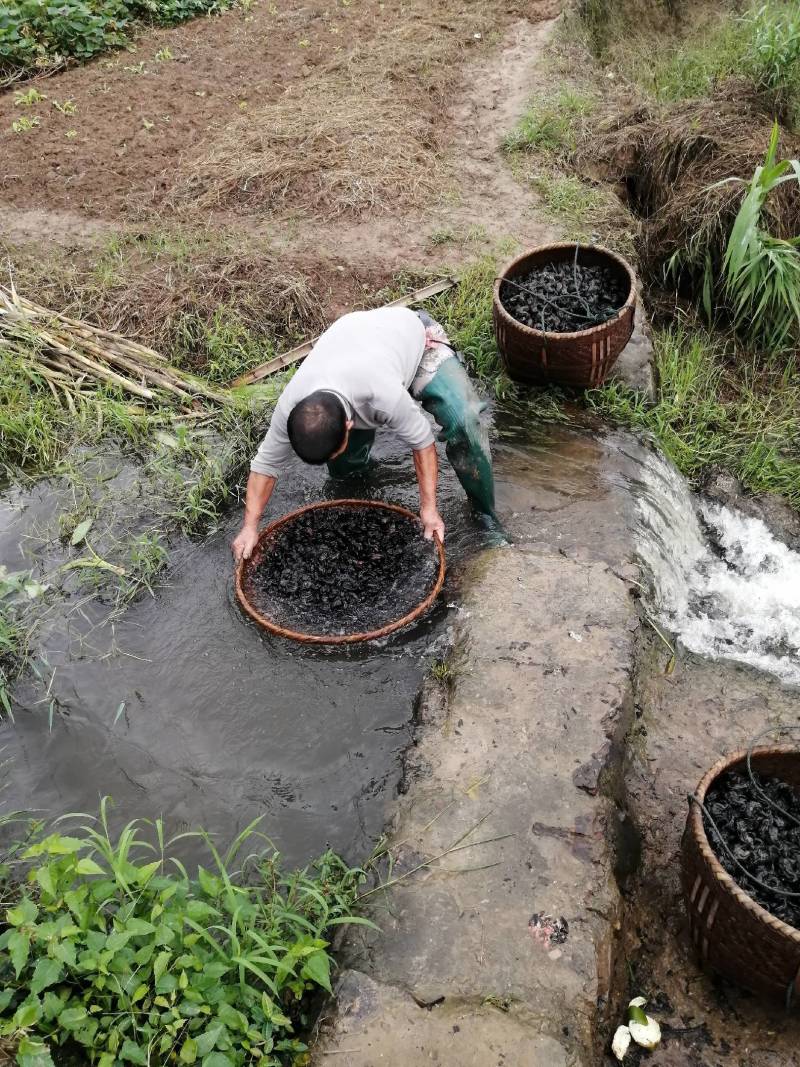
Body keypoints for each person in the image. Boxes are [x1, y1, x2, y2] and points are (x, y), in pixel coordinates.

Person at [231, 306, 496, 561]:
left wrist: (429, 508)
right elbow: (265, 465)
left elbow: (423, 443)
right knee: (346, 470)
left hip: (416, 340)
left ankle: (486, 516)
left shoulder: (380, 395)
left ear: (348, 424)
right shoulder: (291, 406)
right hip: (358, 340)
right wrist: (249, 527)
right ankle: (362, 482)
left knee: (464, 422)